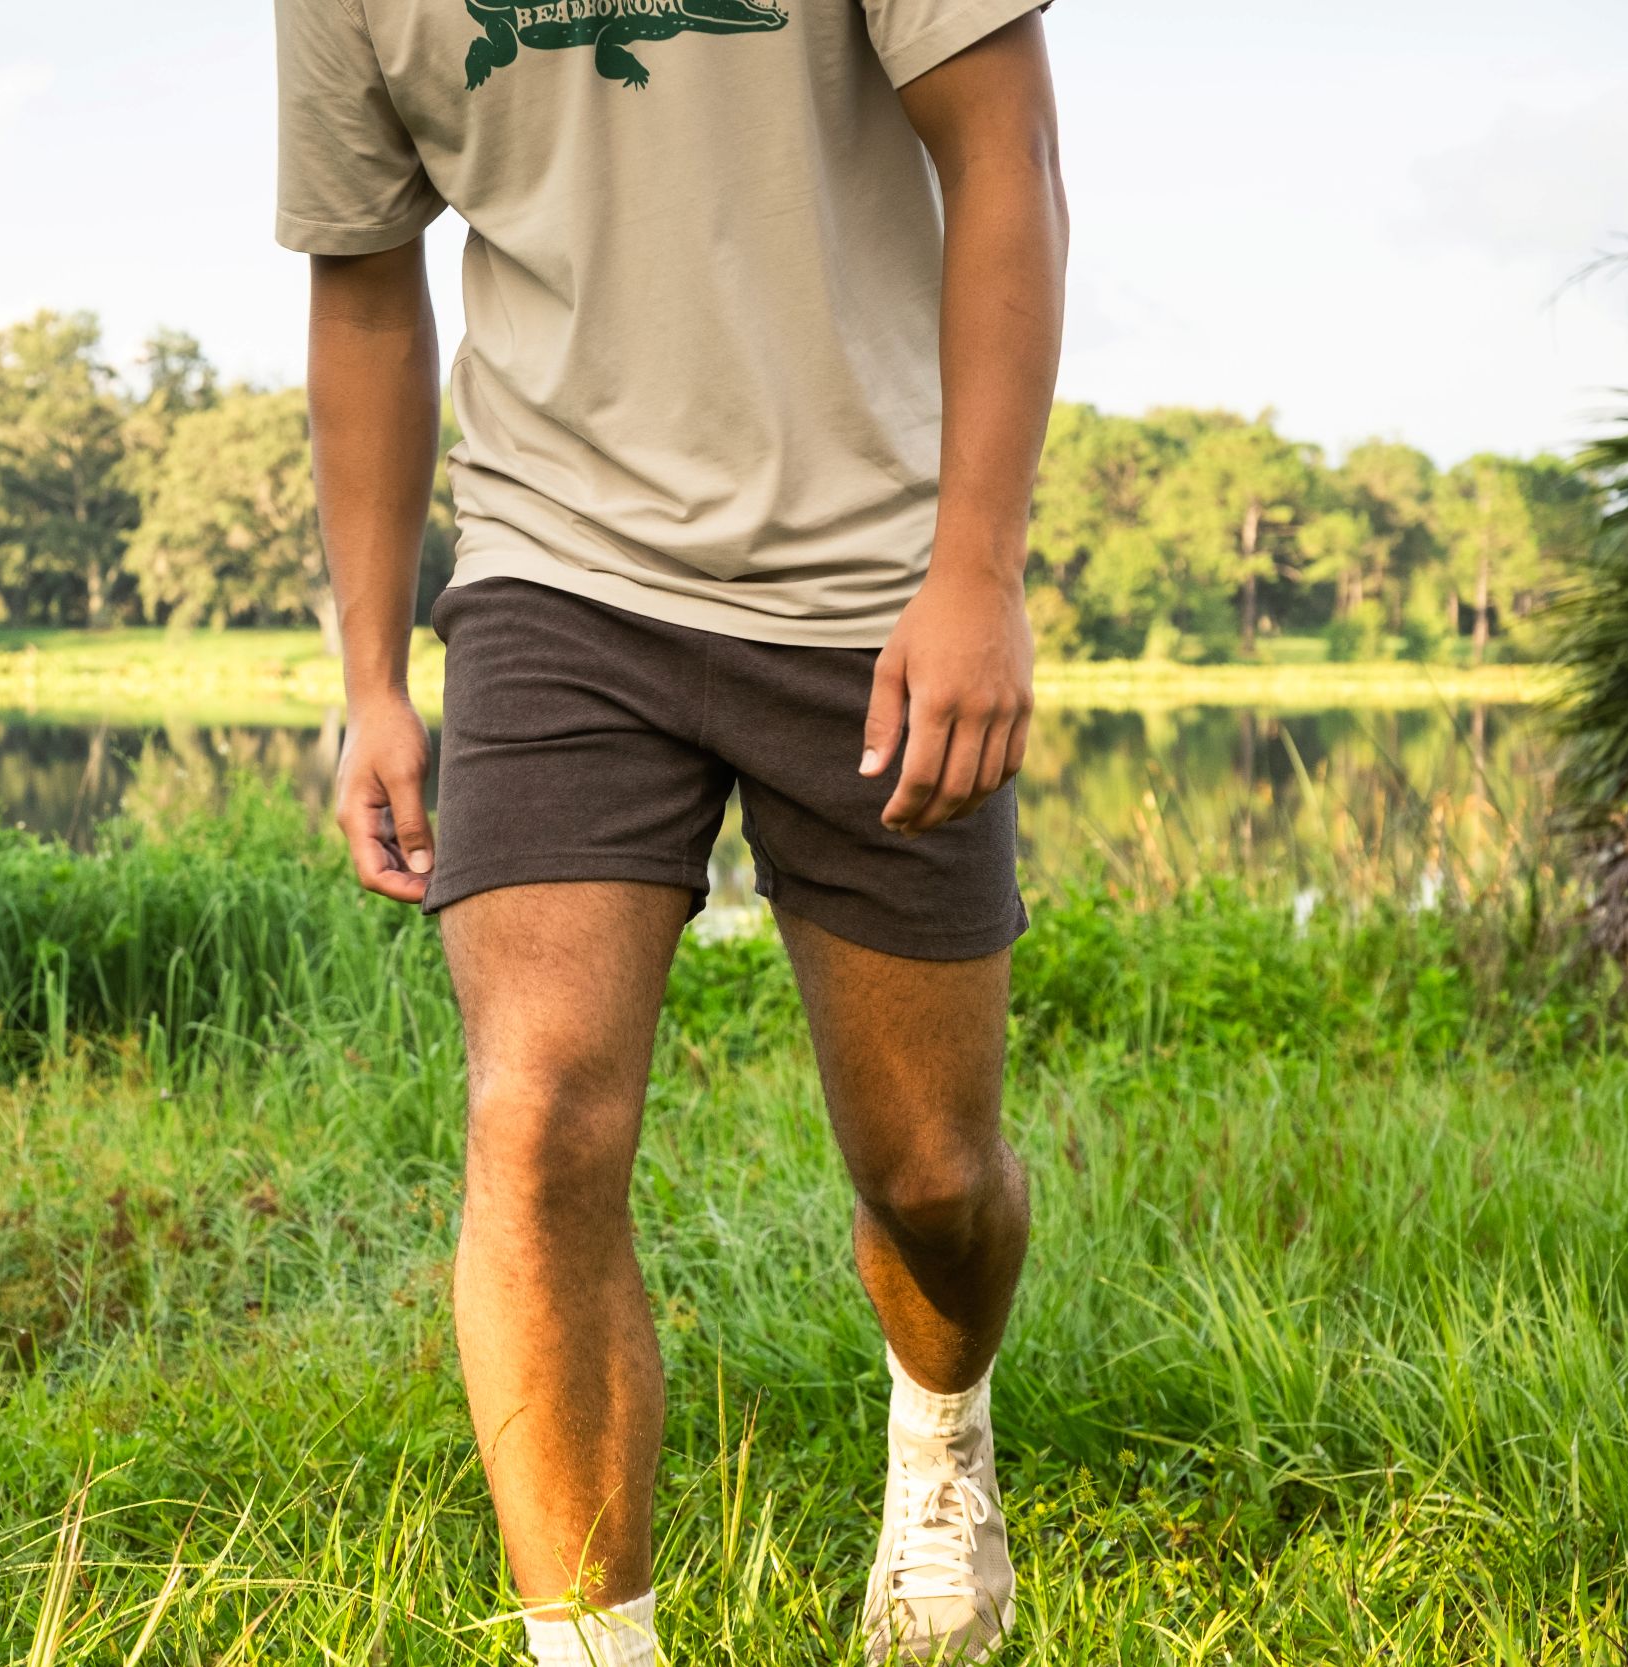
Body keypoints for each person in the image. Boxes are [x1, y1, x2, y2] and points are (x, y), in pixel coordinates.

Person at [277, 0, 1065, 1656]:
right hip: (553, 567)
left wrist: (977, 569)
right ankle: (592, 1644)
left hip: (871, 583)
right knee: (537, 1120)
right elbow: (363, 289)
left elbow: (1005, 154)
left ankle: (940, 1433)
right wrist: (370, 679)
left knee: (931, 1174)